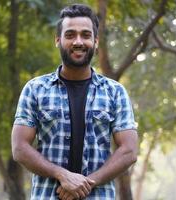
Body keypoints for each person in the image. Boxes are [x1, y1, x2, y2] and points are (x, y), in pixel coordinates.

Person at [11, 4, 138, 200]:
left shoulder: (115, 92)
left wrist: (86, 183)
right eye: (70, 35)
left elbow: (129, 151)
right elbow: (19, 148)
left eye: (86, 35)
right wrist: (61, 174)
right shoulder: (35, 89)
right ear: (58, 40)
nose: (78, 41)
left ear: (95, 42)